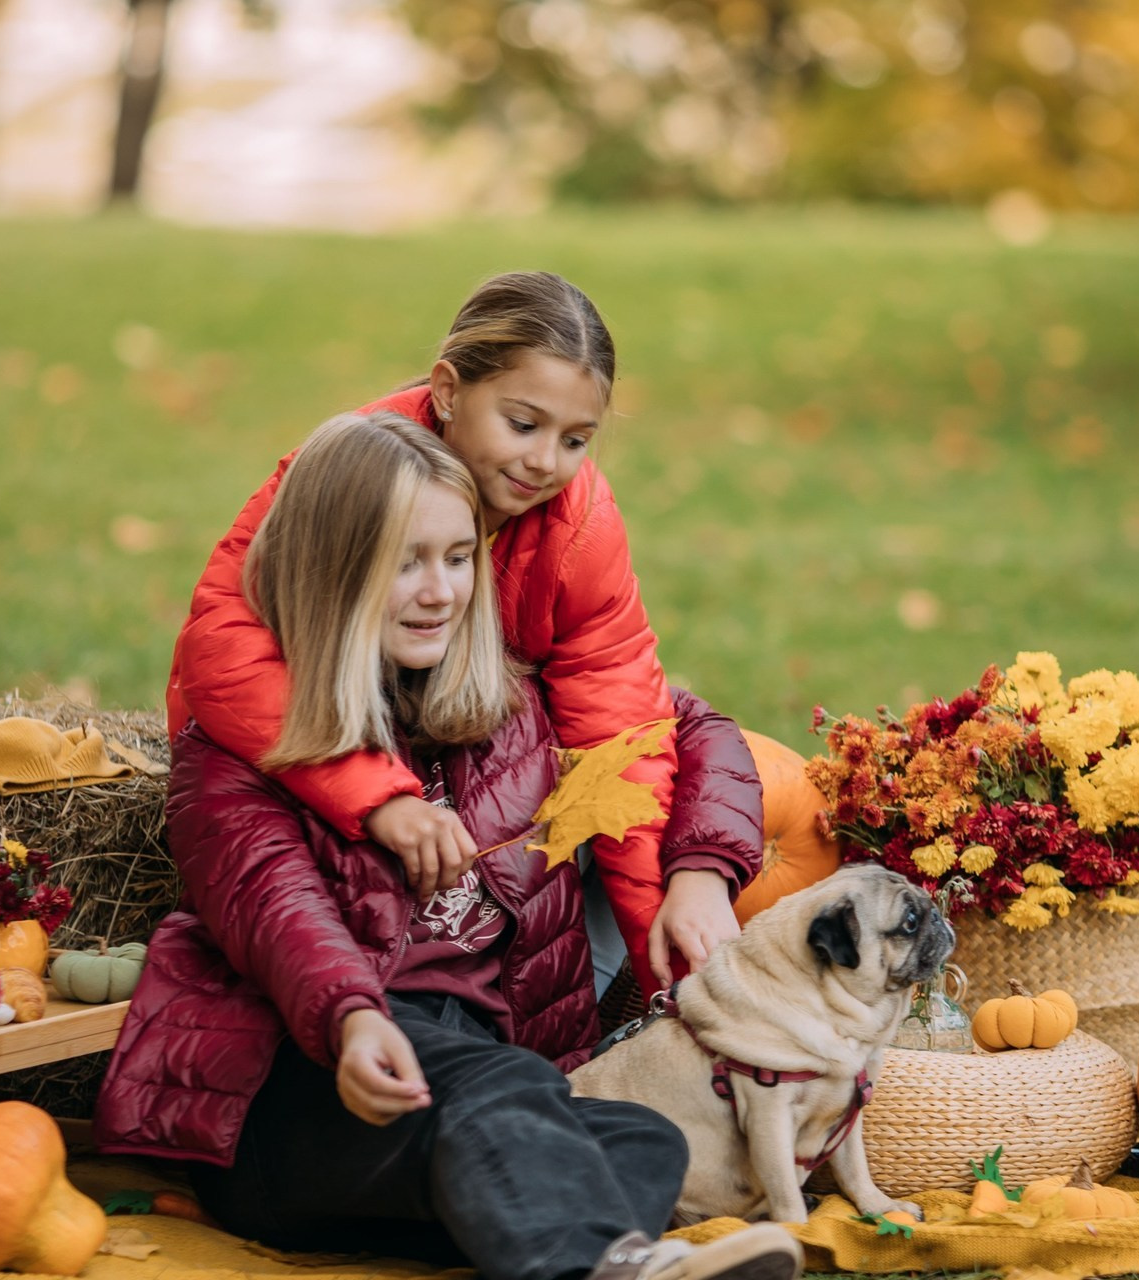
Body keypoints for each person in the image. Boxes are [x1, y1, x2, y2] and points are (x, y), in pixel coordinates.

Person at [95, 413, 801, 1280]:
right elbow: (277, 908)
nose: (441, 592)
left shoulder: (508, 709)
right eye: (406, 562)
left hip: (475, 1085)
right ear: (332, 571)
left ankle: (535, 1236)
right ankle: (606, 1270)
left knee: (639, 1138)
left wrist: (698, 874)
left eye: (459, 557)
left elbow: (692, 729)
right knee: (501, 1094)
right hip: (300, 1081)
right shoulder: (241, 746)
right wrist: (352, 1020)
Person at [166, 272, 763, 1001]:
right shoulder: (351, 477)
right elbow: (225, 653)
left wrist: (654, 952)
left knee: (677, 736)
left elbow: (619, 718)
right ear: (449, 391)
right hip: (325, 767)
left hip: (472, 771)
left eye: (576, 439)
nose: (546, 461)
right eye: (523, 424)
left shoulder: (579, 526)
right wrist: (376, 797)